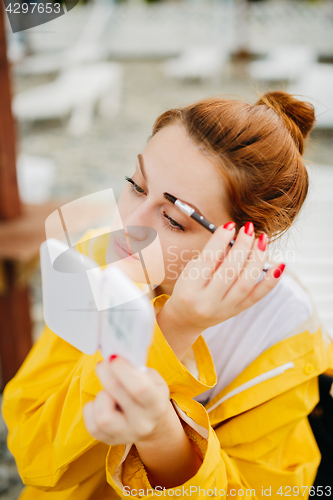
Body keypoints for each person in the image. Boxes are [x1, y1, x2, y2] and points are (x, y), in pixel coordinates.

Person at [2, 91, 333, 500]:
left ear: (243, 245)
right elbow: (32, 452)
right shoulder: (97, 259)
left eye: (174, 220)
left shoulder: (279, 336)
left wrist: (162, 434)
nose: (130, 224)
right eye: (136, 187)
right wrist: (172, 329)